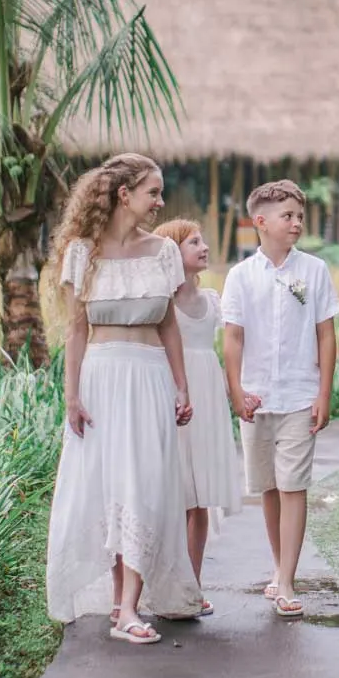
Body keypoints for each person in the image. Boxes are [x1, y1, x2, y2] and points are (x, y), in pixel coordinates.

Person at [45, 153, 203, 644]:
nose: (160, 202)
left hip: (150, 377)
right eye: (153, 192)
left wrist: (181, 384)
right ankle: (121, 605)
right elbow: (75, 329)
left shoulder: (162, 252)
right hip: (102, 377)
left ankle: (131, 606)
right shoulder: (82, 253)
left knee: (146, 486)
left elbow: (169, 323)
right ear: (124, 195)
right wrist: (70, 396)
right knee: (111, 489)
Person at [220, 179, 339, 619]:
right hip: (256, 397)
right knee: (268, 487)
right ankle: (277, 568)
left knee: (294, 486)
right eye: (288, 216)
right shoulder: (240, 276)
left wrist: (323, 393)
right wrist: (235, 391)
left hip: (298, 395)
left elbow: (326, 335)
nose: (296, 223)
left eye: (299, 217)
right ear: (261, 222)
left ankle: (288, 579)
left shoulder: (314, 271)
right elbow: (232, 338)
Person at [153, 217, 243, 613]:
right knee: (174, 494)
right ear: (174, 252)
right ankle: (163, 584)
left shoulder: (212, 301)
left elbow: (225, 349)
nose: (204, 247)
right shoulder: (162, 302)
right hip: (173, 391)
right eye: (194, 242)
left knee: (200, 497)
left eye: (203, 240)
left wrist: (234, 389)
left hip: (206, 394)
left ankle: (193, 585)